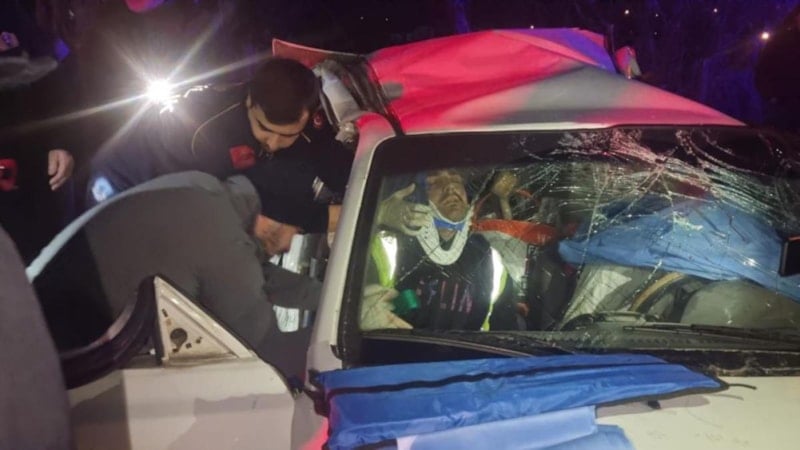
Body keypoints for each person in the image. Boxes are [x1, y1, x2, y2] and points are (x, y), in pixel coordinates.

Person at [29, 170, 321, 380]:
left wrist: (327, 297)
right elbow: (269, 351)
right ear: (273, 219)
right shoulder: (219, 235)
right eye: (295, 233)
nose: (288, 247)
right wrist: (335, 338)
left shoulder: (203, 188)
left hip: (34, 300)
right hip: (57, 353)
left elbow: (253, 275)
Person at [88, 56, 353, 241]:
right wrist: (330, 218)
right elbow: (254, 200)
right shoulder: (204, 132)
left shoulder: (301, 108)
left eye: (286, 135)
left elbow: (327, 155)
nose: (273, 142)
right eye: (264, 129)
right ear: (249, 102)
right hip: (126, 182)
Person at [361, 169, 519, 331]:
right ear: (414, 196)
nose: (450, 187)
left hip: (464, 348)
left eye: (456, 180)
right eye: (433, 182)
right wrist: (378, 214)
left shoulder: (490, 259)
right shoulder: (386, 246)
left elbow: (506, 331)